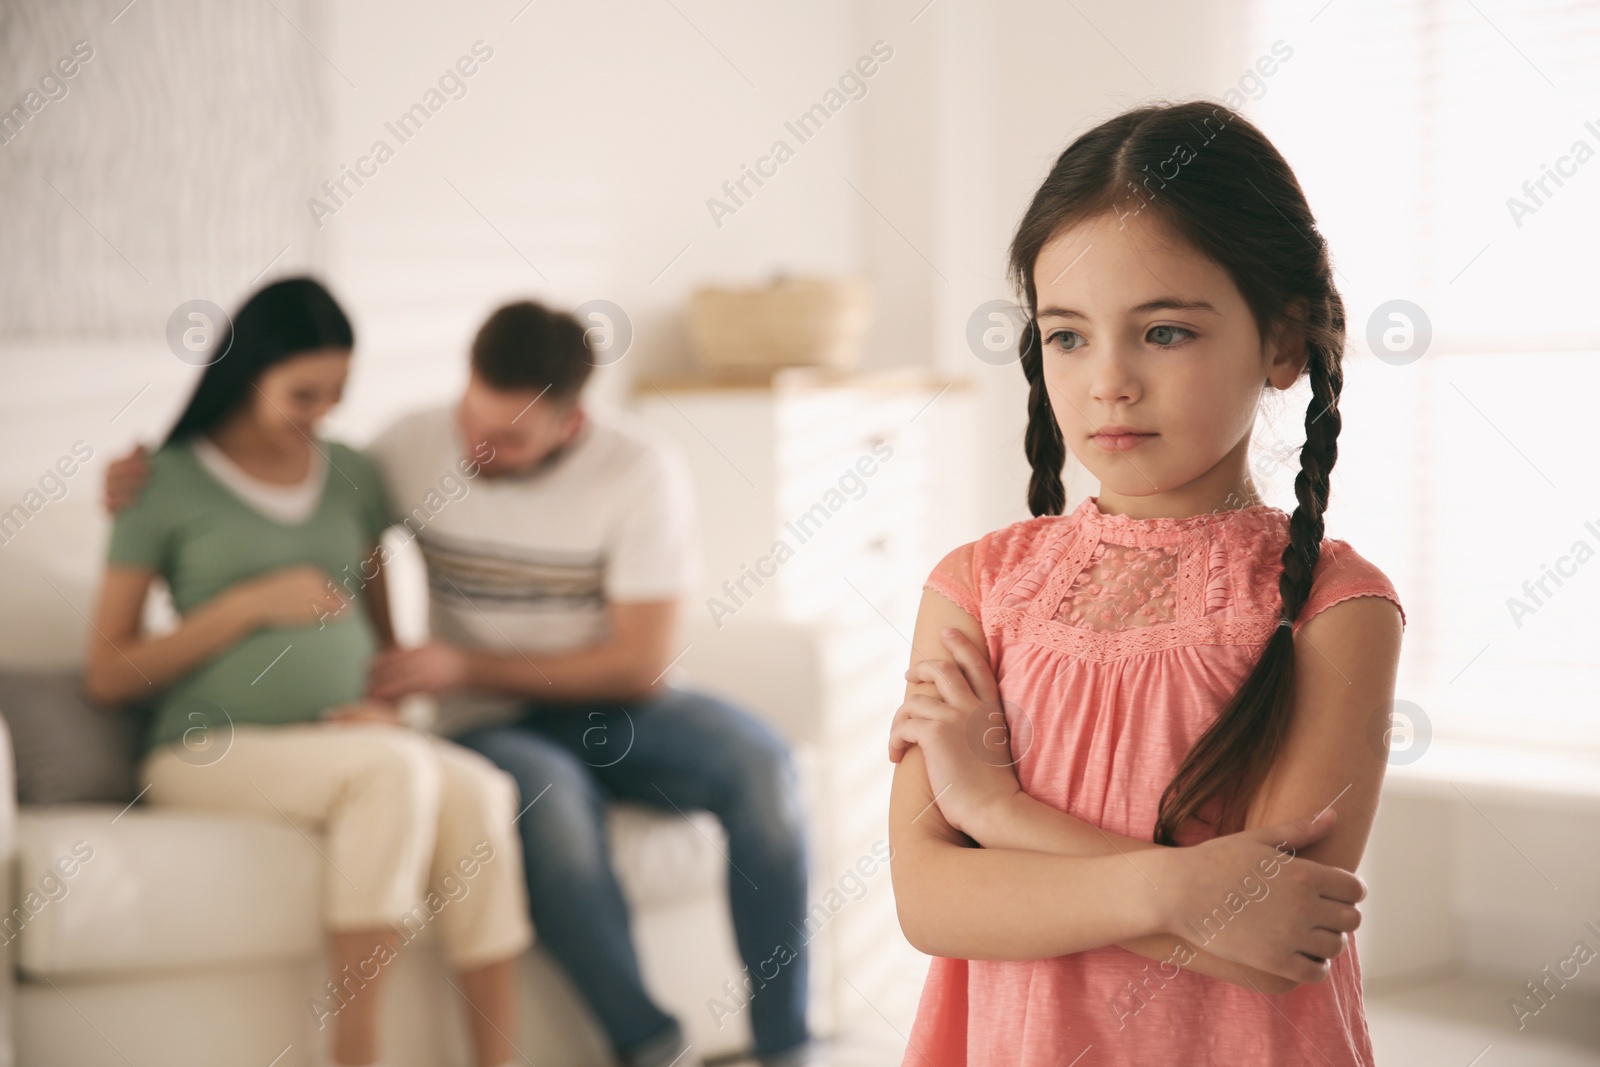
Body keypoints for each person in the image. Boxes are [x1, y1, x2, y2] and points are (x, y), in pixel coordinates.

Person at [106, 299, 815, 1067]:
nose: (479, 446)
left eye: (509, 438)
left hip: (622, 702)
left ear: (571, 423)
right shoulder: (409, 449)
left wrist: (450, 669)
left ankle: (786, 1047)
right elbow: (314, 516)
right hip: (491, 722)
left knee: (763, 767)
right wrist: (129, 479)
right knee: (547, 806)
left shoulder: (638, 469)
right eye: (473, 420)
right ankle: (650, 1044)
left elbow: (641, 662)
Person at [885, 101, 1405, 1066]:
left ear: (1284, 343)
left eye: (1164, 333)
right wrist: (1183, 891)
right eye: (1068, 336)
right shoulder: (975, 588)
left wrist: (997, 816)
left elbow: (1276, 935)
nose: (1108, 380)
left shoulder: (1339, 608)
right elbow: (931, 900)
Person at [87, 277, 531, 1067]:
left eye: (337, 393)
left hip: (345, 737)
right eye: (302, 392)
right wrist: (246, 605)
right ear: (247, 371)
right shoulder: (163, 481)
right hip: (207, 747)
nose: (321, 412)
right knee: (389, 774)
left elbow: (385, 642)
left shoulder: (355, 471)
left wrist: (397, 713)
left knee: (482, 792)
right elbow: (108, 673)